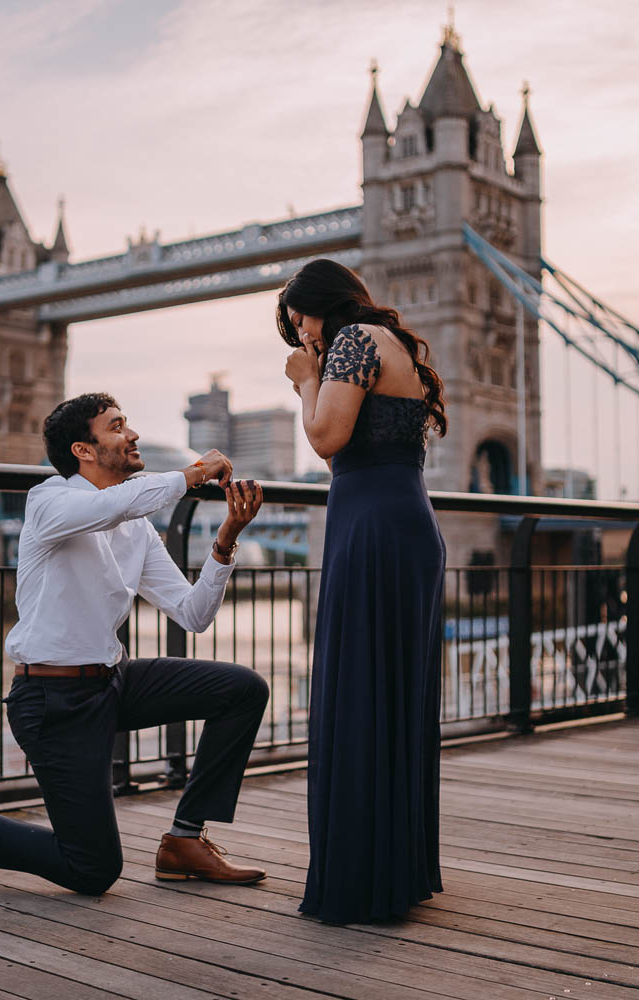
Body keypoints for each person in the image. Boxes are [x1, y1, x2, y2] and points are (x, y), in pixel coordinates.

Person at [0, 392, 270, 896]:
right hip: (51, 701)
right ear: (84, 450)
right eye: (117, 426)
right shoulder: (48, 502)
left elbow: (194, 615)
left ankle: (185, 840)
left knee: (242, 689)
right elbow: (107, 506)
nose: (133, 434)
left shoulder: (137, 529)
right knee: (92, 869)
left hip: (112, 683)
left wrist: (226, 540)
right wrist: (192, 474)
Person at [279, 258, 449, 923]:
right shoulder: (393, 342)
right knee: (391, 695)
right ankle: (392, 867)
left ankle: (361, 876)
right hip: (401, 524)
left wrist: (304, 382)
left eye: (302, 319)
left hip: (372, 530)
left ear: (327, 305)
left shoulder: (351, 342)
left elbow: (327, 437)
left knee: (358, 691)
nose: (303, 336)